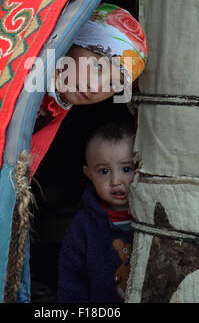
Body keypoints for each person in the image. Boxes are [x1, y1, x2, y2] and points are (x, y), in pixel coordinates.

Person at [30, 3, 148, 176]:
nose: (94, 88)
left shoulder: (55, 108)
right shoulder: (14, 76)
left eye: (113, 84)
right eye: (97, 66)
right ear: (70, 42)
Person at [57, 120, 136, 303]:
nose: (116, 180)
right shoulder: (82, 227)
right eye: (103, 171)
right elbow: (71, 282)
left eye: (126, 169)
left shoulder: (155, 218)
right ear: (89, 174)